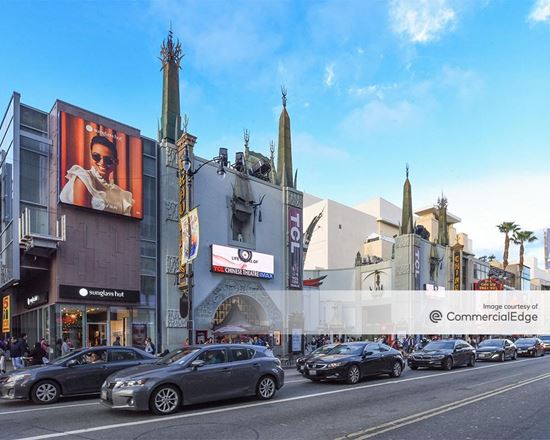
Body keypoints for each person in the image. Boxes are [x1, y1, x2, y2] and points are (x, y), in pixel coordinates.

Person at [59, 135, 134, 216]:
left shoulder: (123, 195)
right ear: (91, 156)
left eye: (108, 160)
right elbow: (80, 218)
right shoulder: (83, 178)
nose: (102, 163)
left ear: (116, 162)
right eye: (96, 156)